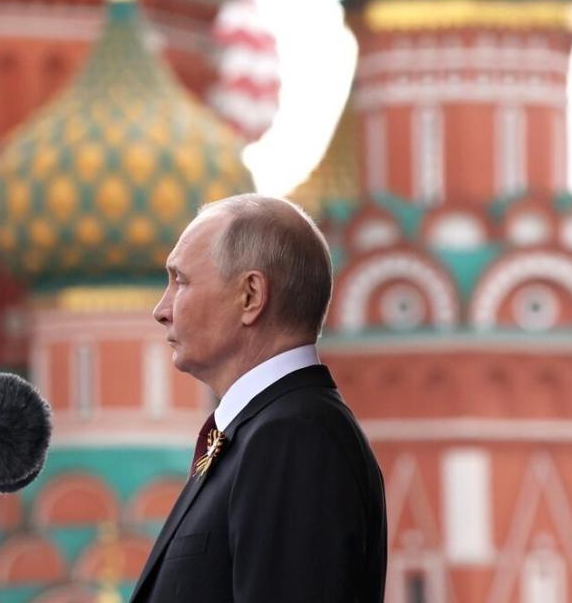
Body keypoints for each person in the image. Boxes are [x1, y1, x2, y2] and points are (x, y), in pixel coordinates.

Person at [130, 194, 387, 602]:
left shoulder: (293, 438)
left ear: (250, 295)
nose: (162, 309)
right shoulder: (259, 433)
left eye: (181, 281)